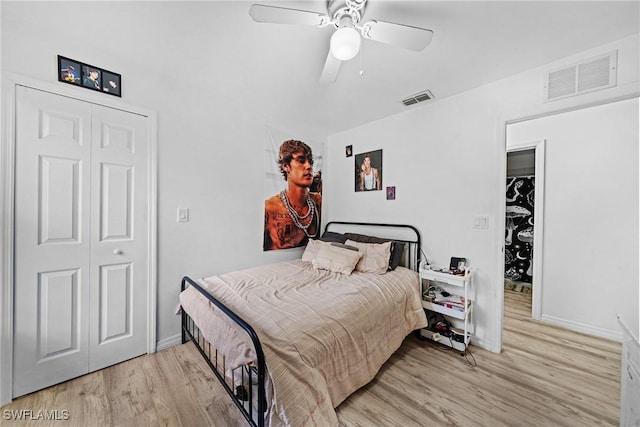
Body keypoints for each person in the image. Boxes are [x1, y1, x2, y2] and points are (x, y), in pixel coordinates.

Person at [264, 140, 322, 251]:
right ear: (286, 166)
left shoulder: (319, 202)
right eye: (301, 161)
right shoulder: (270, 208)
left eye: (310, 162)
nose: (308, 166)